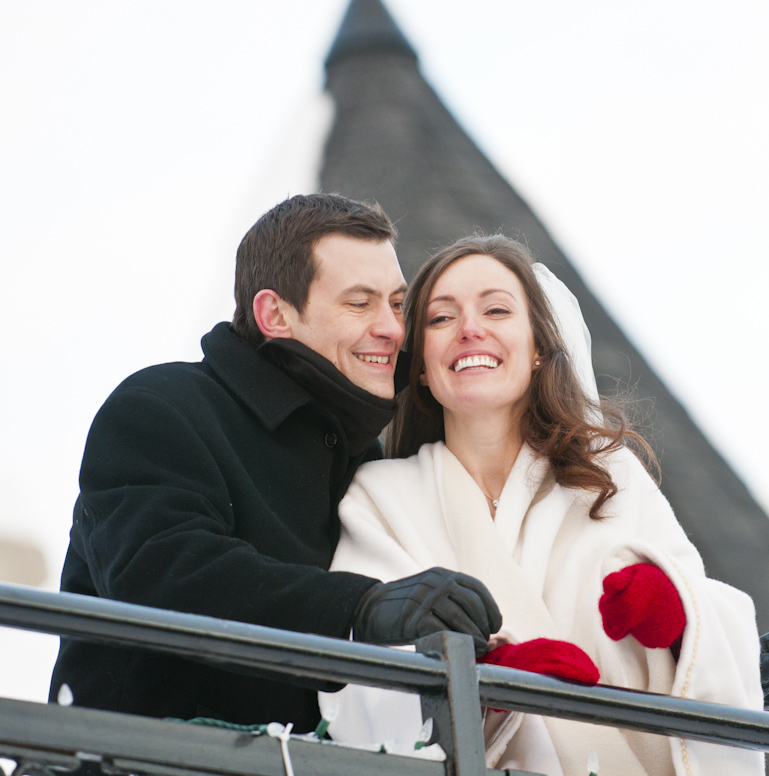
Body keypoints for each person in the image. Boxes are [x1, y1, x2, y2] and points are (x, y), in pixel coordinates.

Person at [321, 234, 769, 775]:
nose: (471, 328)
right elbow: (358, 673)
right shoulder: (380, 497)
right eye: (441, 318)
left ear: (539, 346)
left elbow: (708, 628)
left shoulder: (610, 478)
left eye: (496, 309)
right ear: (420, 364)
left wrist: (679, 615)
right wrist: (484, 679)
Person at [48, 194, 501, 732]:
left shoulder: (368, 460)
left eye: (398, 304)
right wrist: (357, 610)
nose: (394, 329)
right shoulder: (161, 406)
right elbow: (165, 570)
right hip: (140, 760)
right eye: (360, 303)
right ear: (274, 314)